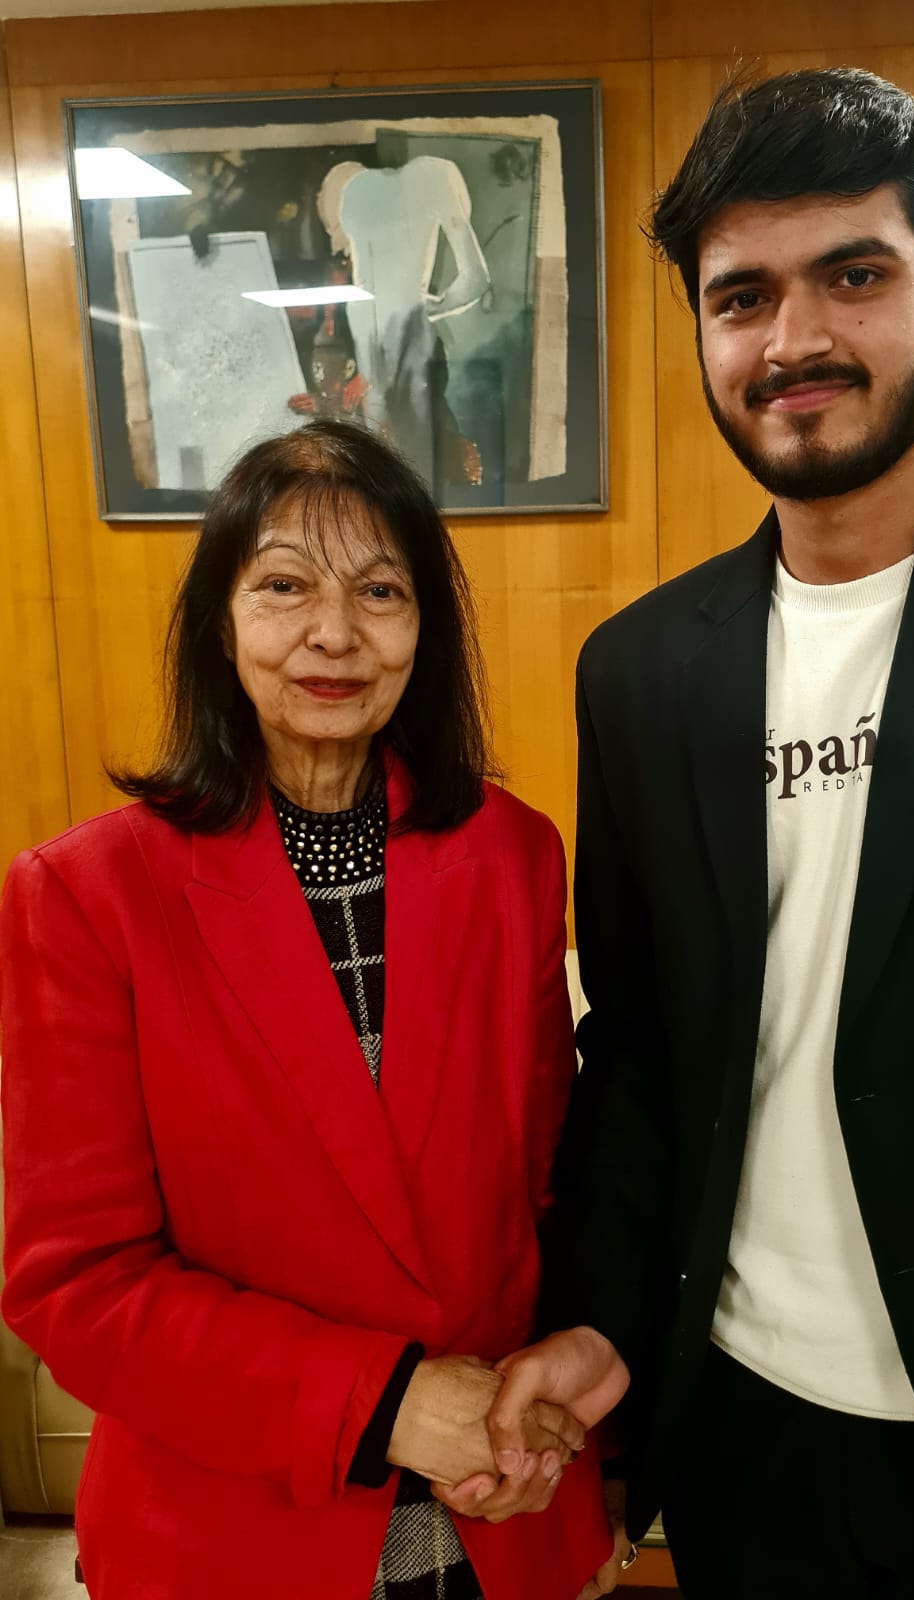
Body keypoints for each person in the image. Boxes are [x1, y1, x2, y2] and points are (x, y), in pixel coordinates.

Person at [471, 67, 914, 1600]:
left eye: (853, 276)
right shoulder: (643, 672)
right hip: (746, 1426)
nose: (792, 339)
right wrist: (603, 1321)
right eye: (741, 297)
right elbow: (643, 1052)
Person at [0, 417, 622, 1600]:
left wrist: (562, 1407)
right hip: (233, 1535)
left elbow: (550, 1183)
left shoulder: (513, 856)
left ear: (425, 629)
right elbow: (75, 1283)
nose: (334, 632)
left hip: (500, 1509)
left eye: (380, 590)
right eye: (284, 585)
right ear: (219, 622)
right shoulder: (85, 897)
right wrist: (381, 1402)